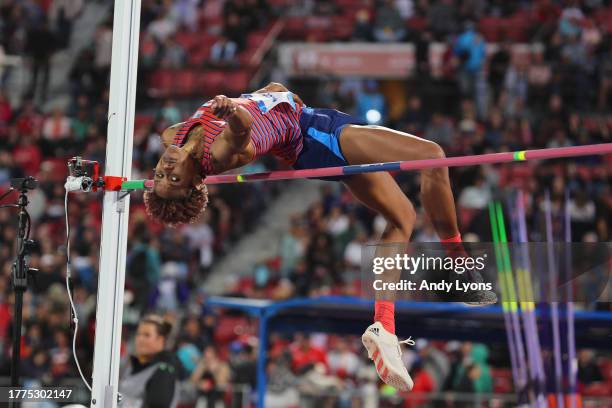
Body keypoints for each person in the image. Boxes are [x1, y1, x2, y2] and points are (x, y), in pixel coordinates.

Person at [144, 82, 497, 391]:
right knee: (432, 156)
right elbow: (242, 129)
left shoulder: (172, 135)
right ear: (195, 183)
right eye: (173, 180)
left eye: (160, 174)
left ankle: (384, 327)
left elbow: (262, 103)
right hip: (313, 134)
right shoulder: (215, 156)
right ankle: (462, 265)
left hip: (307, 137)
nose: (167, 170)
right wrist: (234, 111)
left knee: (402, 216)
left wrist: (271, 92)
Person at [118, 314, 182, 408]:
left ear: (160, 339)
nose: (140, 339)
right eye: (138, 334)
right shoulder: (133, 363)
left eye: (146, 335)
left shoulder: (164, 370)